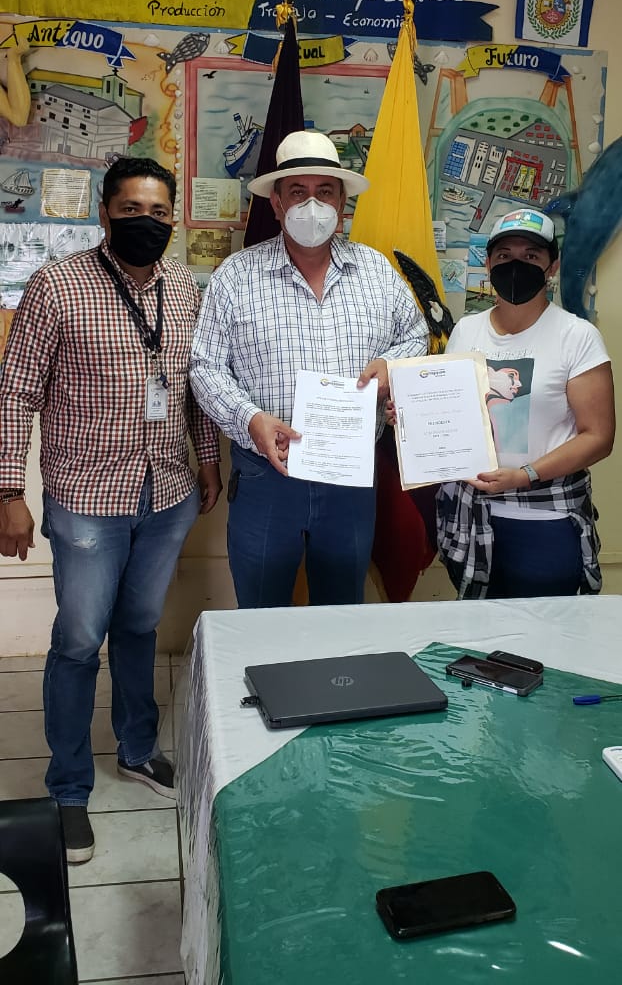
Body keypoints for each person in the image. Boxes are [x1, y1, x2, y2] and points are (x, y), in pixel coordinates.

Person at [0, 157, 222, 864]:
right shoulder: (57, 286)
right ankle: (67, 788)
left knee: (139, 626)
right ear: (104, 214)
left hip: (167, 493)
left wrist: (207, 459)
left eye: (158, 213)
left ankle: (136, 748)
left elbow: (195, 388)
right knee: (77, 640)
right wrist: (7, 492)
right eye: (131, 210)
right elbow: (15, 393)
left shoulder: (185, 289)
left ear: (173, 219)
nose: (145, 223)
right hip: (87, 499)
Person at [189, 130, 429, 609]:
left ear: (342, 202)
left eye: (325, 191)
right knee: (262, 612)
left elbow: (416, 335)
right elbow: (205, 366)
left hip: (350, 477)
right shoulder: (235, 275)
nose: (313, 205)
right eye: (298, 192)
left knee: (340, 613)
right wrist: (250, 420)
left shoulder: (377, 271)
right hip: (266, 475)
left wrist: (391, 364)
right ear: (276, 203)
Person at [436, 207, 615, 599]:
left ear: (552, 267)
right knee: (480, 634)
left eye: (531, 255)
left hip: (545, 520)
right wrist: (411, 420)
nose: (516, 265)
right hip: (471, 517)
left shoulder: (577, 336)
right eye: (504, 255)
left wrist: (525, 474)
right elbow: (449, 412)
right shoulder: (466, 331)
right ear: (488, 264)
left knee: (545, 632)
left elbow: (598, 437)